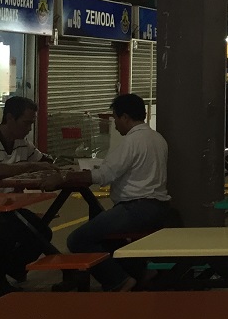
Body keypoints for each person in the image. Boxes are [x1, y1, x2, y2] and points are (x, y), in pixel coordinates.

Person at [66, 93, 172, 292]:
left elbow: (105, 175)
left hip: (136, 209)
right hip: (158, 208)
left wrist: (70, 177)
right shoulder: (157, 138)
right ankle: (141, 272)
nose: (114, 124)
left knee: (77, 239)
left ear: (125, 117)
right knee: (108, 235)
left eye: (115, 118)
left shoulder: (131, 142)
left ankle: (119, 280)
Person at [0, 95, 61, 300]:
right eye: (26, 123)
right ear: (10, 118)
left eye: (31, 124)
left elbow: (44, 160)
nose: (29, 129)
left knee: (41, 230)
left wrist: (52, 170)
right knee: (15, 228)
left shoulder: (22, 144)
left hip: (5, 208)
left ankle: (9, 267)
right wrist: (31, 167)